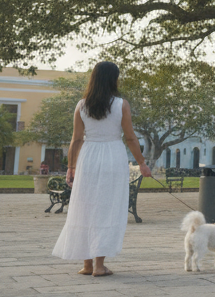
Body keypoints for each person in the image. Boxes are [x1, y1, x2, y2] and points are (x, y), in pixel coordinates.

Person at [51, 61, 152, 276]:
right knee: (107, 209)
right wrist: (142, 163)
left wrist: (70, 167)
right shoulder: (121, 104)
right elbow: (131, 137)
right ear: (113, 79)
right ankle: (99, 265)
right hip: (113, 157)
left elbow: (76, 139)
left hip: (88, 157)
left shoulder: (82, 105)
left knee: (85, 208)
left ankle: (87, 265)